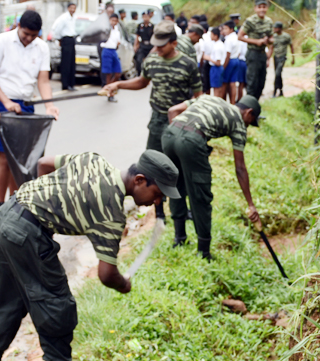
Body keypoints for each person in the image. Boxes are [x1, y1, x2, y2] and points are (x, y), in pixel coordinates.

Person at [0, 149, 181, 361]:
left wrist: (44, 205)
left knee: (8, 299)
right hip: (26, 233)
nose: (157, 202)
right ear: (139, 180)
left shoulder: (94, 160)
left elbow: (44, 163)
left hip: (8, 214)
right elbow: (107, 274)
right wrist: (124, 284)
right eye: (157, 194)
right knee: (58, 307)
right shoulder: (111, 212)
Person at [103, 20, 202, 220]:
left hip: (180, 124)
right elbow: (142, 81)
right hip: (157, 121)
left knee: (178, 170)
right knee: (152, 170)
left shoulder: (188, 64)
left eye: (161, 45)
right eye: (155, 44)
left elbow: (198, 97)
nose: (156, 48)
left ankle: (180, 213)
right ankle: (158, 212)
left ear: (174, 43)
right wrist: (119, 84)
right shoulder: (152, 61)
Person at [164, 95, 261, 259]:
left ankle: (179, 239)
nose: (248, 126)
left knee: (177, 185)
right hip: (191, 140)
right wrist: (250, 204)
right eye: (250, 122)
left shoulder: (210, 98)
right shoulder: (238, 123)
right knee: (200, 196)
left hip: (169, 134)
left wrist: (178, 139)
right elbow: (240, 168)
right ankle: (204, 252)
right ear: (249, 112)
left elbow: (172, 110)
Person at [0, 10, 59, 209]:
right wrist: (7, 102)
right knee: (5, 159)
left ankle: (16, 202)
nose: (29, 38)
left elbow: (43, 80)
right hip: (2, 104)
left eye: (33, 35)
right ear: (18, 26)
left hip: (26, 105)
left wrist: (49, 106)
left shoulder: (41, 47)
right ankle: (0, 204)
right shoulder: (1, 41)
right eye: (26, 34)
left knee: (23, 160)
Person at [238, 0, 273, 99]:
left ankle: (255, 109)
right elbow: (240, 36)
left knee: (261, 82)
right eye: (260, 7)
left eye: (264, 7)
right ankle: (248, 109)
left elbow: (271, 37)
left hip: (262, 54)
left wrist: (269, 40)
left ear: (267, 8)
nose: (262, 9)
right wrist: (256, 41)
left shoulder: (269, 21)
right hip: (253, 54)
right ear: (255, 8)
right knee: (252, 82)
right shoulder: (250, 21)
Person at [52, 3, 77, 91]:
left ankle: (71, 83)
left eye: (74, 8)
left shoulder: (73, 17)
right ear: (68, 8)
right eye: (71, 8)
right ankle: (65, 84)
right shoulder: (63, 18)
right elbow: (57, 29)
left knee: (72, 63)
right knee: (66, 63)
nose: (73, 10)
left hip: (72, 40)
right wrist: (59, 39)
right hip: (66, 39)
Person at [101, 14, 122, 102]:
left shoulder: (117, 31)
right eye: (112, 20)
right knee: (108, 73)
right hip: (107, 50)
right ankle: (110, 93)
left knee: (118, 73)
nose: (113, 22)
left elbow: (118, 42)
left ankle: (110, 87)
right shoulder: (106, 30)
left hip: (114, 51)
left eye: (115, 20)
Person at [272, 21, 294, 98]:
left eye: (276, 28)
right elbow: (271, 47)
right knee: (278, 75)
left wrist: (293, 58)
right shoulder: (274, 36)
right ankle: (280, 91)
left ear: (280, 28)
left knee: (277, 74)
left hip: (282, 57)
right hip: (275, 57)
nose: (274, 29)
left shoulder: (286, 36)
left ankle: (275, 91)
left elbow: (291, 46)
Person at [222, 21, 240, 104]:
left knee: (225, 83)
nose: (224, 30)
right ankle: (233, 102)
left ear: (231, 29)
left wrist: (223, 67)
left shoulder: (228, 39)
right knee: (233, 82)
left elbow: (227, 55)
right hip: (236, 60)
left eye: (226, 28)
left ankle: (224, 102)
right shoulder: (236, 37)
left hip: (230, 61)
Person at [204, 27, 225, 98]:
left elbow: (218, 62)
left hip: (216, 68)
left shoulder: (217, 47)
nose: (210, 36)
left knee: (216, 89)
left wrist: (209, 58)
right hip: (217, 68)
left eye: (211, 35)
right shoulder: (218, 44)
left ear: (215, 35)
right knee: (218, 87)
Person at [198, 22, 211, 95]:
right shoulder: (210, 36)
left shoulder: (202, 38)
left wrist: (201, 65)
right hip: (210, 62)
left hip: (204, 62)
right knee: (208, 84)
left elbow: (202, 52)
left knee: (203, 83)